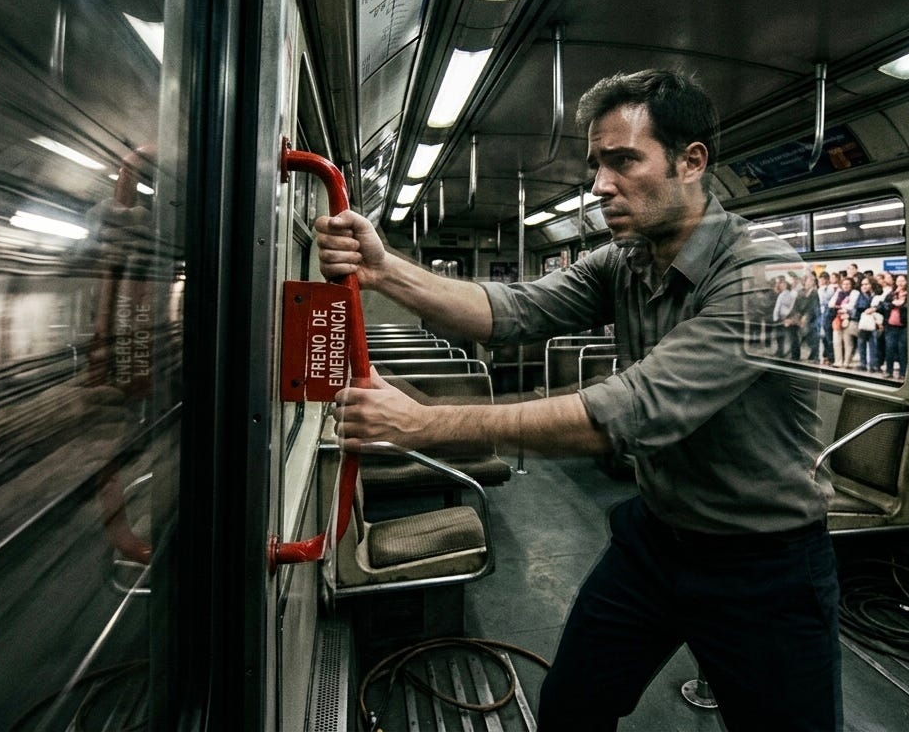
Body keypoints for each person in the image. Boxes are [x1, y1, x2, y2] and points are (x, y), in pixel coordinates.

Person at [316, 69, 840, 731]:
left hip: (764, 564)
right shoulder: (627, 260)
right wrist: (384, 269)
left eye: (623, 161)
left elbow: (631, 410)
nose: (599, 186)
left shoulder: (767, 278)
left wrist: (426, 423)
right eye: (596, 164)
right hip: (657, 539)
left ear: (691, 162)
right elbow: (510, 311)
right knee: (571, 707)